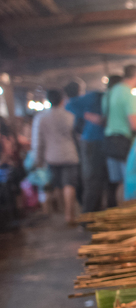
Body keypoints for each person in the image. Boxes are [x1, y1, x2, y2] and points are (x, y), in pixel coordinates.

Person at [65, 78, 113, 214]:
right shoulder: (95, 96)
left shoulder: (103, 97)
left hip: (100, 142)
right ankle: (88, 218)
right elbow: (69, 106)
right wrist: (89, 116)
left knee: (103, 180)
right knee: (93, 180)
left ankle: (98, 213)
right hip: (92, 142)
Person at [35, 89, 80, 224]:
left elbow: (39, 141)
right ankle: (69, 214)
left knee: (58, 185)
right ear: (62, 99)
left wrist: (39, 159)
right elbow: (77, 136)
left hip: (52, 156)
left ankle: (61, 210)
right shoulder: (69, 116)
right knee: (69, 184)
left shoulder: (42, 118)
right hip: (69, 154)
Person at [103, 64, 136, 206]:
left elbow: (105, 116)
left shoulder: (111, 92)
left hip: (108, 140)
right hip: (123, 142)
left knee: (117, 181)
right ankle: (126, 212)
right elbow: (135, 124)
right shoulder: (129, 93)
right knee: (128, 179)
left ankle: (117, 212)